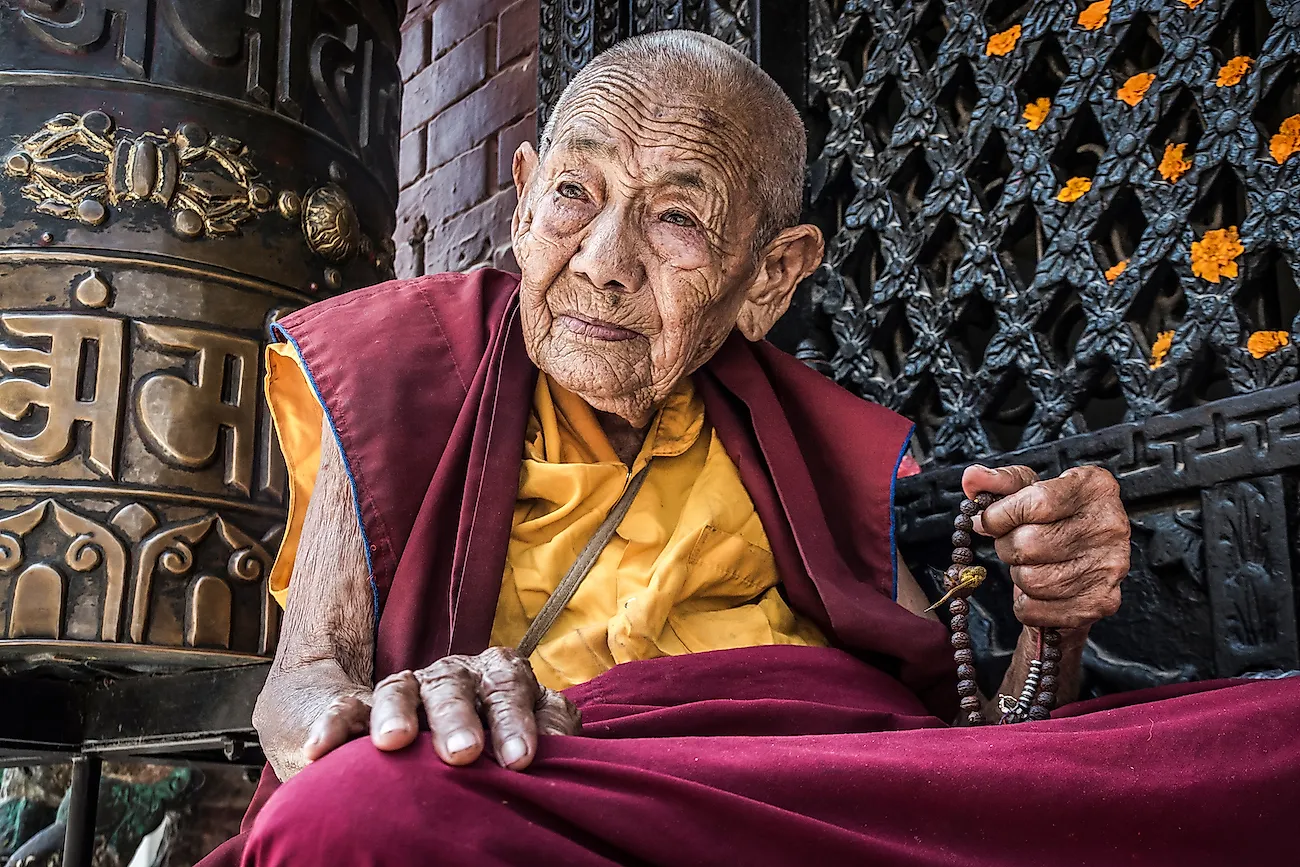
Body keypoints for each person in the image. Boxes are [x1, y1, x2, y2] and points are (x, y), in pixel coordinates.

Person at [202, 31, 1297, 866]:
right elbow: (297, 696)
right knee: (360, 812)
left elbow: (970, 743)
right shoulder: (399, 365)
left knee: (1268, 741)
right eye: (573, 196)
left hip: (802, 797)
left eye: (676, 218)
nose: (603, 261)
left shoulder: (791, 434)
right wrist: (398, 711)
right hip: (553, 798)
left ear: (771, 276)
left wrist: (1053, 625)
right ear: (524, 193)